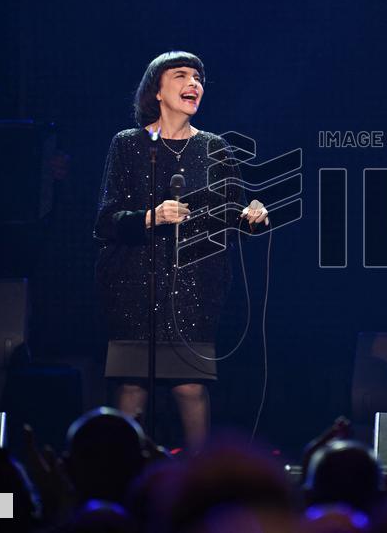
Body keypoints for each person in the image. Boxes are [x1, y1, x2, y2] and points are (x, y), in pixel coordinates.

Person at [94, 51, 267, 449]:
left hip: (195, 288)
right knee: (132, 391)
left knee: (191, 388)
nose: (194, 84)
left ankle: (198, 484)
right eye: (181, 75)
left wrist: (253, 218)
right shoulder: (128, 144)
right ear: (156, 90)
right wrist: (148, 217)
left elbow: (231, 221)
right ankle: (115, 480)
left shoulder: (215, 148)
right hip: (133, 286)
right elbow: (105, 221)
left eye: (198, 77)